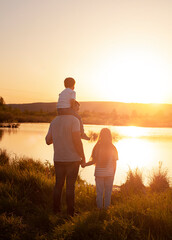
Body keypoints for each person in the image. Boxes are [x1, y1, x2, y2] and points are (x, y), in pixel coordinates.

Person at [45, 101, 86, 216]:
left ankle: (56, 210)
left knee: (58, 185)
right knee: (70, 187)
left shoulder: (54, 121)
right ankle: (70, 213)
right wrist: (83, 156)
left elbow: (48, 141)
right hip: (72, 159)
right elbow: (77, 141)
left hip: (58, 159)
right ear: (70, 108)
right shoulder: (74, 120)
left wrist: (59, 137)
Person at [84, 128, 118, 209]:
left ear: (101, 135)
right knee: (108, 193)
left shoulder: (97, 147)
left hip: (99, 173)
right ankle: (106, 210)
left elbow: (93, 161)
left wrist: (85, 164)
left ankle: (99, 209)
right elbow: (114, 162)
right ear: (110, 136)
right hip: (109, 174)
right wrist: (113, 173)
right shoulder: (113, 147)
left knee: (99, 193)